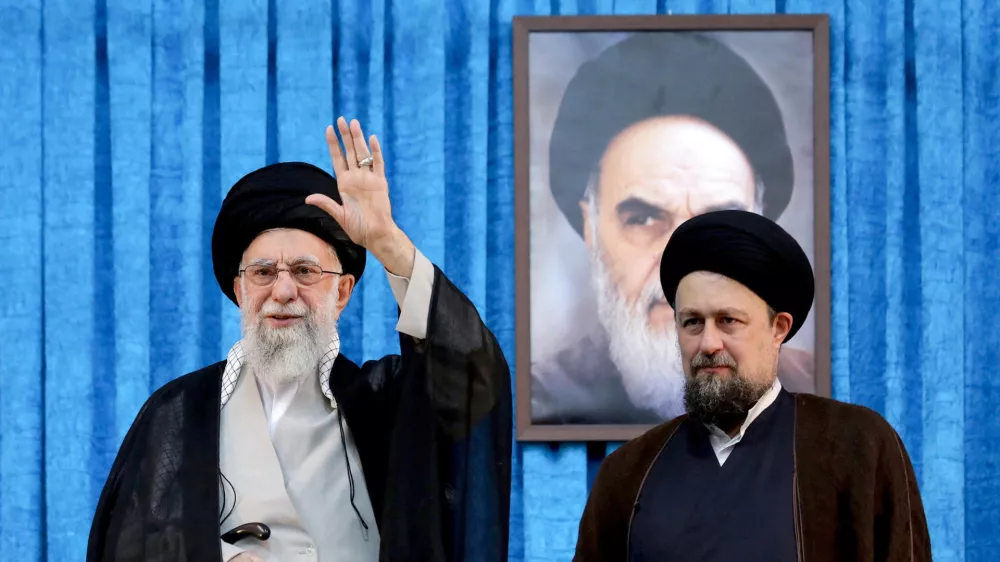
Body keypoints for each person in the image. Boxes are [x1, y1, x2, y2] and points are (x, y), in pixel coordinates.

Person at [87, 118, 512, 562]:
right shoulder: (178, 412)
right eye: (263, 273)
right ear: (240, 290)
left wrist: (389, 244)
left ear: (342, 292)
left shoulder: (384, 400)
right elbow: (132, 546)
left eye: (306, 271)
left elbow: (473, 376)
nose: (283, 291)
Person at [573, 210, 930, 561]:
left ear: (779, 328)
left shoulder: (858, 448)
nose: (708, 343)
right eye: (692, 323)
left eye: (728, 321)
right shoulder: (625, 474)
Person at [531, 32, 814, 425]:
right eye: (645, 219)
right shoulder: (542, 400)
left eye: (719, 223)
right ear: (592, 228)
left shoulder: (814, 401)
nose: (685, 266)